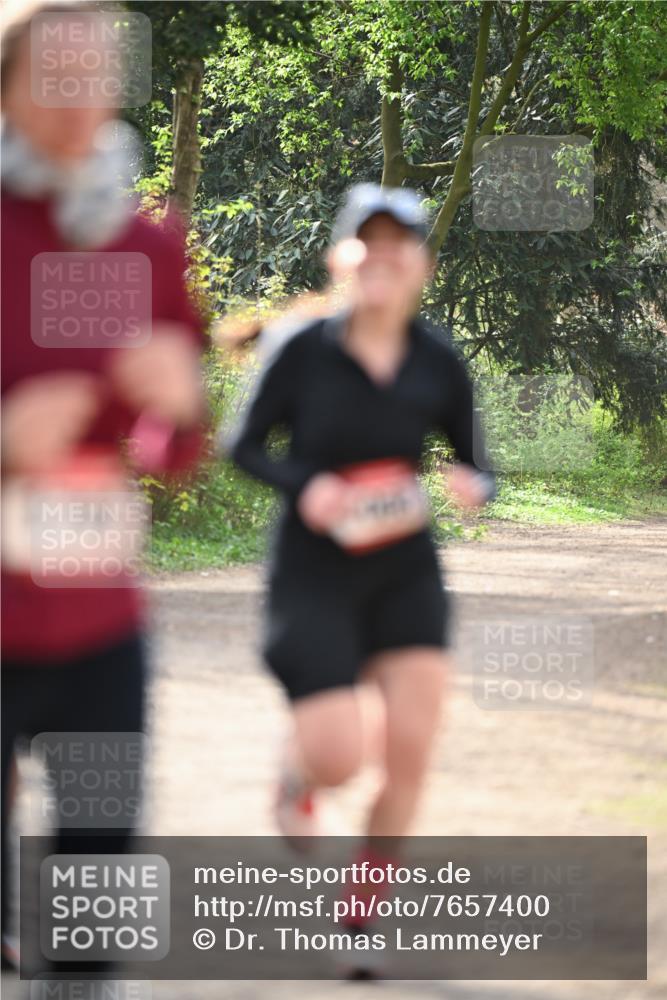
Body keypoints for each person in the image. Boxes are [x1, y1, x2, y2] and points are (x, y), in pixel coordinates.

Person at [227, 183, 495, 973]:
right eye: (366, 242)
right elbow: (241, 446)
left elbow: (478, 458)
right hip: (313, 573)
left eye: (399, 244)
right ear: (341, 258)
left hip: (404, 570)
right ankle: (295, 772)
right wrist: (305, 484)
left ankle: (361, 914)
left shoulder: (437, 357)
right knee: (339, 758)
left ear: (423, 265)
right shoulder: (303, 349)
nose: (382, 256)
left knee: (410, 747)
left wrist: (475, 484)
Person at [0, 0, 206, 974]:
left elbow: (173, 449)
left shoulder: (143, 248)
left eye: (98, 74)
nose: (82, 97)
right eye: (56, 73)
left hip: (98, 627)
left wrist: (176, 413)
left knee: (94, 906)